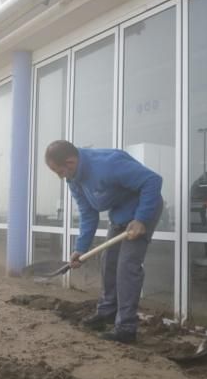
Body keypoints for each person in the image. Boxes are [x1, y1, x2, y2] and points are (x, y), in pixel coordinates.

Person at [44, 140, 163, 343]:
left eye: (58, 170)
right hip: (119, 215)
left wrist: (141, 219)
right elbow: (88, 214)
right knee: (108, 262)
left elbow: (152, 180)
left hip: (143, 211)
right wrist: (80, 249)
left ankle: (126, 327)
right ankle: (107, 312)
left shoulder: (108, 164)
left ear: (70, 162)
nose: (58, 176)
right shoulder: (73, 180)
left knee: (127, 267)